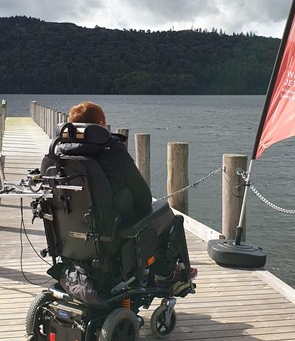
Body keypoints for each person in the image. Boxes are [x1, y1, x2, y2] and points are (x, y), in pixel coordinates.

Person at [54, 101, 197, 292]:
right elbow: (143, 197)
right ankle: (173, 275)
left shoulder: (57, 154)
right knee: (168, 217)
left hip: (69, 235)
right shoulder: (111, 150)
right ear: (102, 123)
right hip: (111, 231)